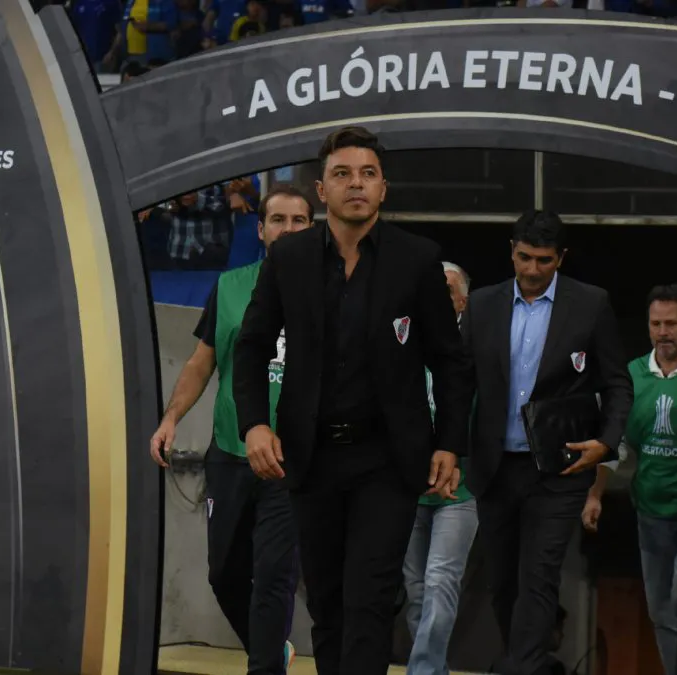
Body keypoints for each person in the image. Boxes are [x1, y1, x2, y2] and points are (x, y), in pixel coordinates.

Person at [232, 126, 474, 675]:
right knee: (327, 606)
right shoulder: (289, 259)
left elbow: (451, 360)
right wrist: (253, 425)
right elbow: (250, 348)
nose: (356, 185)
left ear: (383, 189)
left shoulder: (417, 260)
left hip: (387, 460)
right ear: (322, 191)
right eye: (342, 174)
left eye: (367, 174)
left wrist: (449, 444)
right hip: (310, 458)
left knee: (368, 599)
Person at [149, 185, 315, 675]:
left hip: (292, 460)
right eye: (278, 220)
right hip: (230, 450)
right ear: (260, 230)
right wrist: (171, 417)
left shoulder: (332, 288)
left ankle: (265, 667)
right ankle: (270, 649)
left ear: (312, 229)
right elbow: (201, 364)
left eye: (298, 221)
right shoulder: (230, 287)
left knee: (274, 576)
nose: (287, 229)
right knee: (223, 573)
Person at [459, 210, 633, 675]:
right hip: (495, 469)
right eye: (524, 258)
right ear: (510, 250)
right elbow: (460, 383)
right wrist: (446, 448)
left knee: (538, 577)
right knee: (501, 584)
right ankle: (532, 664)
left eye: (544, 260)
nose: (533, 270)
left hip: (559, 471)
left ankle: (520, 668)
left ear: (562, 258)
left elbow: (618, 383)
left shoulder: (591, 305)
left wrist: (607, 443)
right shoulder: (481, 305)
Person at [584, 284, 677, 675]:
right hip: (651, 507)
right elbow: (616, 445)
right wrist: (594, 496)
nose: (663, 332)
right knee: (661, 610)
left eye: (671, 323)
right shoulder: (632, 375)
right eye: (655, 324)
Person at [402, 261, 478, 675]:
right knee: (415, 592)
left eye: (446, 290)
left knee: (439, 582)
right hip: (409, 487)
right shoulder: (404, 342)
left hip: (460, 489)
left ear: (462, 300)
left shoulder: (478, 347)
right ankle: (432, 671)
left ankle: (424, 672)